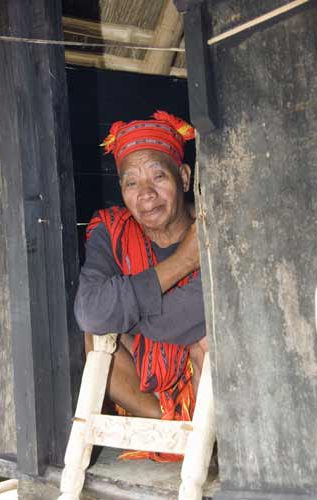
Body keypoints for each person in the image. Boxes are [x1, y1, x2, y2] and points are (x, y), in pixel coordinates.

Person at [74, 110, 208, 461]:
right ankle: (166, 426)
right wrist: (185, 261)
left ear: (182, 176)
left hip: (207, 383)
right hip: (145, 390)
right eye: (131, 182)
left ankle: (202, 434)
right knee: (96, 335)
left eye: (157, 176)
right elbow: (91, 311)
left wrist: (124, 312)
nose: (145, 194)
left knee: (210, 343)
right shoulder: (112, 229)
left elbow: (209, 312)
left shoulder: (212, 225)